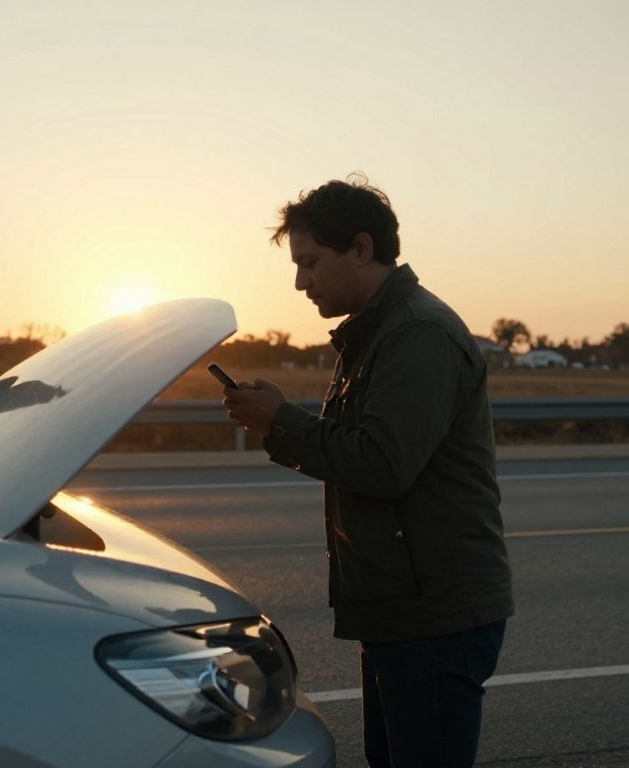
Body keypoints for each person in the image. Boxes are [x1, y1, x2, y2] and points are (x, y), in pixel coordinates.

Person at [222, 175, 514, 768]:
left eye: (309, 262)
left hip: (433, 614)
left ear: (360, 248)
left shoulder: (417, 333)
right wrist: (281, 419)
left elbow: (381, 464)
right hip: (402, 607)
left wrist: (281, 422)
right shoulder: (379, 331)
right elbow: (363, 448)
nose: (299, 281)